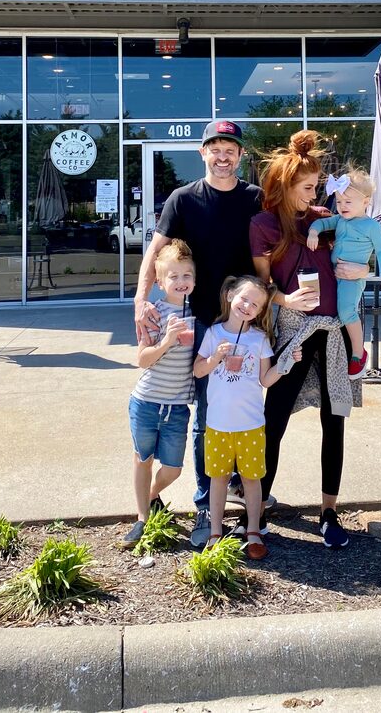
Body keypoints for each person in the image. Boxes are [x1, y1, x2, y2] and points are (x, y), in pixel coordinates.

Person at [134, 119, 262, 547]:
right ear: (203, 153)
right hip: (201, 320)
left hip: (244, 320)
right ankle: (208, 504)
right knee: (206, 415)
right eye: (215, 149)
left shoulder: (255, 199)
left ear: (240, 156)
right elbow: (155, 252)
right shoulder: (183, 199)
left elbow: (279, 242)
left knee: (243, 406)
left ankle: (245, 486)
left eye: (231, 150)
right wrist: (140, 299)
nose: (223, 157)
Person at [249, 129, 369, 550]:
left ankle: (329, 512)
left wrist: (366, 272)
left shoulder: (326, 218)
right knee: (274, 421)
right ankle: (257, 509)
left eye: (316, 187)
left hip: (334, 332)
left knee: (333, 422)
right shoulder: (263, 225)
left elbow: (364, 246)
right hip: (294, 332)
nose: (314, 194)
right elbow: (261, 287)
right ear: (284, 186)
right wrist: (286, 298)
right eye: (306, 187)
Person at [193, 275, 300, 560]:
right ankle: (216, 531)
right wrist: (215, 357)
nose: (248, 306)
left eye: (255, 305)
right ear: (229, 295)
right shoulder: (214, 334)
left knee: (252, 481)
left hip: (251, 425)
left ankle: (254, 530)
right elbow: (199, 370)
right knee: (218, 479)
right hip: (217, 425)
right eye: (244, 299)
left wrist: (286, 364)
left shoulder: (260, 338)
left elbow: (265, 380)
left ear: (260, 311)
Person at [123, 240, 197, 548]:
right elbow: (142, 360)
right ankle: (142, 518)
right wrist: (166, 341)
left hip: (178, 405)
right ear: (160, 279)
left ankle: (153, 496)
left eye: (186, 275)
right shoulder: (153, 313)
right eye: (173, 276)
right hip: (147, 401)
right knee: (143, 459)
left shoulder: (199, 312)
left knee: (173, 469)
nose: (180, 282)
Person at [307, 168, 381, 380]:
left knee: (347, 311)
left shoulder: (371, 226)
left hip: (352, 279)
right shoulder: (339, 220)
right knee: (334, 311)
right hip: (333, 275)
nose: (342, 206)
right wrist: (313, 231)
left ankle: (359, 352)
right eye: (339, 202)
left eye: (348, 202)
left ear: (365, 202)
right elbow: (322, 222)